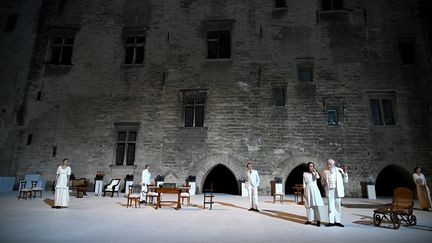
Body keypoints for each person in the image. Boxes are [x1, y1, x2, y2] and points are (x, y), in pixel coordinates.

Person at [322, 159, 348, 227]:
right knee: (330, 206)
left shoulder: (339, 170)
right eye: (328, 164)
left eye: (330, 164)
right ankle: (331, 221)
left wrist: (345, 173)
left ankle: (338, 221)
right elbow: (323, 180)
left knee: (337, 206)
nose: (328, 165)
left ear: (333, 164)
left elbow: (345, 181)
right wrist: (323, 183)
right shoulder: (325, 172)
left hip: (337, 190)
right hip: (330, 190)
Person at [303, 162, 324, 227]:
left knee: (317, 204)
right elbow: (304, 182)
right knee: (309, 205)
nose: (311, 167)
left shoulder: (315, 173)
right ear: (308, 167)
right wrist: (304, 190)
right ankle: (309, 220)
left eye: (312, 166)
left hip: (315, 189)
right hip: (308, 189)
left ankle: (318, 220)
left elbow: (318, 177)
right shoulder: (305, 173)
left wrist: (314, 171)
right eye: (310, 166)